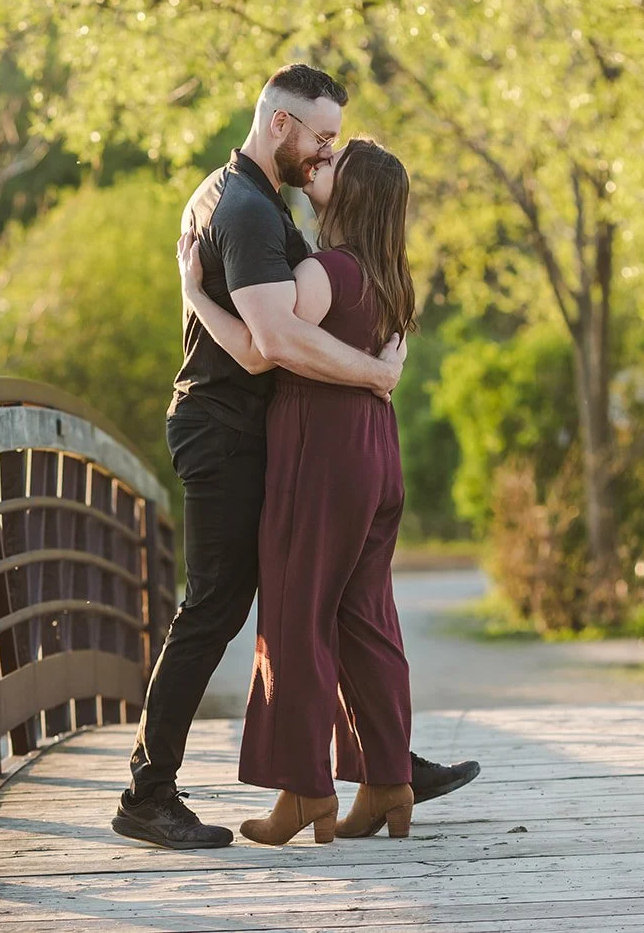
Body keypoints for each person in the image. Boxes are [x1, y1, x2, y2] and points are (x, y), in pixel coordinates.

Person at [111, 64, 477, 851]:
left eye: (334, 149)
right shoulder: (247, 209)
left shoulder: (264, 211)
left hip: (291, 441)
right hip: (230, 432)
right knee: (236, 604)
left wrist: (196, 295)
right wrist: (379, 372)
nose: (324, 153)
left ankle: (348, 774)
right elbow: (269, 345)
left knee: (301, 607)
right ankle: (156, 789)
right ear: (280, 124)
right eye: (321, 138)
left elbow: (286, 336)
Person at [179, 135, 430, 844]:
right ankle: (387, 781)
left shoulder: (326, 272)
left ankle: (303, 792)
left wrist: (197, 293)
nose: (317, 168)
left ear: (351, 196)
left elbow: (264, 349)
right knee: (365, 616)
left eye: (332, 167)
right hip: (376, 452)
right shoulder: (391, 277)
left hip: (321, 453)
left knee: (294, 616)